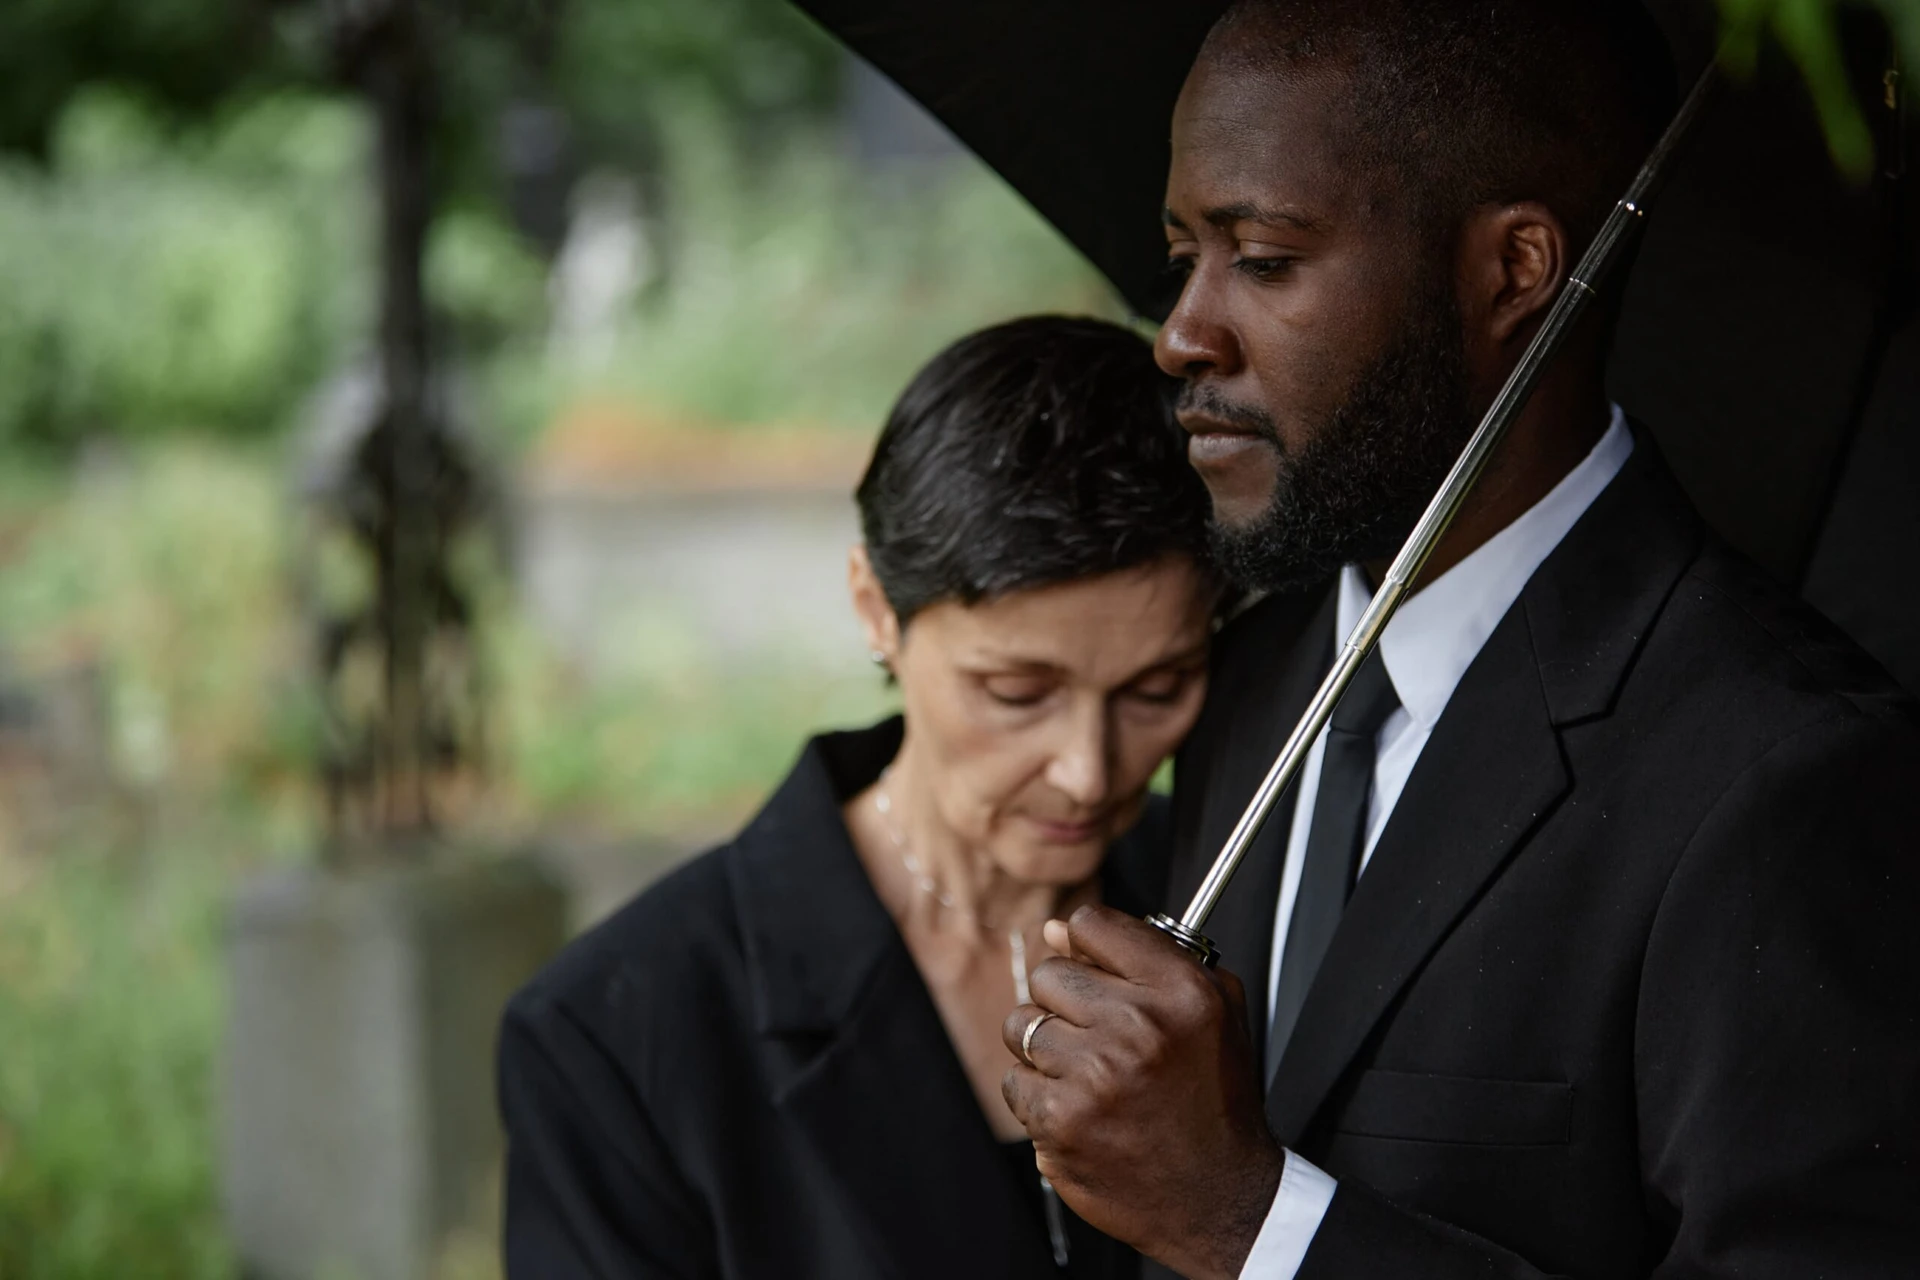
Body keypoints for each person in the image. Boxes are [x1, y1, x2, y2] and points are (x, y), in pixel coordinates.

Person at [997, 3, 1920, 1278]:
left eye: (1263, 258)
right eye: (1183, 254)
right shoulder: (1252, 677)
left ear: (1514, 270)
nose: (1182, 334)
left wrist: (1244, 1217)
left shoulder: (1785, 776)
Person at [496, 315, 1224, 1279]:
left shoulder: (1247, 902)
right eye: (1017, 693)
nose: (1088, 771)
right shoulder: (616, 1035)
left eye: (1157, 689)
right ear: (877, 608)